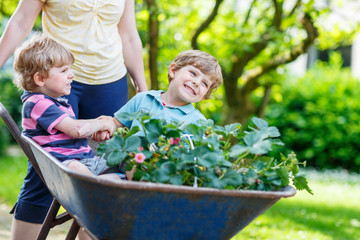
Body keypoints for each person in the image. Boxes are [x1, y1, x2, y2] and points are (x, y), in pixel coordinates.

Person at [11, 34, 123, 240]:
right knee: (89, 190)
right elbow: (76, 130)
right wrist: (102, 122)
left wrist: (94, 133)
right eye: (64, 71)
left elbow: (73, 135)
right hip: (65, 166)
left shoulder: (57, 102)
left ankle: (110, 210)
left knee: (127, 163)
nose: (72, 75)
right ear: (40, 79)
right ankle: (96, 218)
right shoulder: (38, 103)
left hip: (81, 160)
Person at [93, 49, 223, 141]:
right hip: (127, 167)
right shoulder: (143, 99)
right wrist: (107, 128)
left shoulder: (198, 122)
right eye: (193, 73)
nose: (196, 82)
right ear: (173, 71)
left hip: (164, 176)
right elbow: (116, 124)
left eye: (205, 83)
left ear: (204, 96)